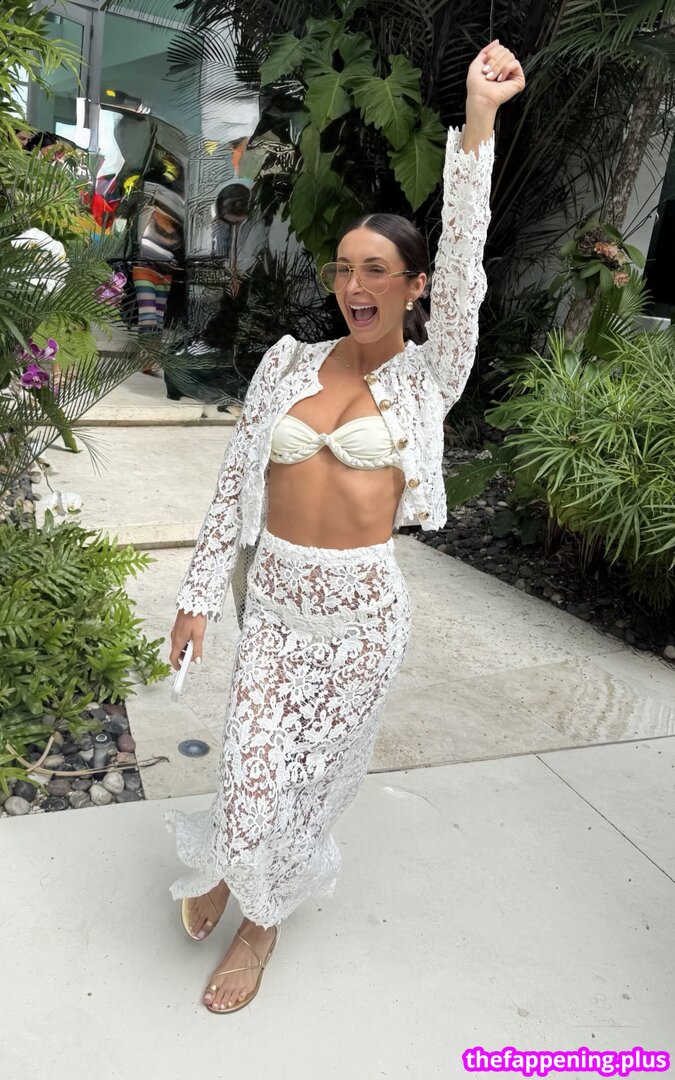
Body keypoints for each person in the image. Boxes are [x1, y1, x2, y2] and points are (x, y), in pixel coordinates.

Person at [164, 40, 525, 1014]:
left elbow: (466, 263)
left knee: (305, 786)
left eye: (377, 271)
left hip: (362, 621)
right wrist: (198, 597)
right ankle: (228, 860)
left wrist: (478, 122)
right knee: (248, 770)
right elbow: (236, 483)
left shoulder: (427, 378)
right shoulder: (287, 362)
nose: (354, 286)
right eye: (343, 270)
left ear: (413, 287)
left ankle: (261, 921)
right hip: (277, 607)